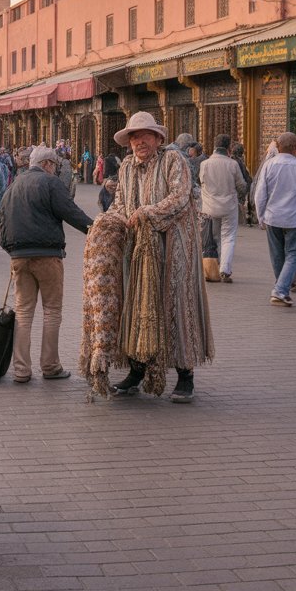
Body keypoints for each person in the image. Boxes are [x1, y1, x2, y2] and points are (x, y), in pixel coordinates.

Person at [106, 112, 214, 403]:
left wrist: (147, 213)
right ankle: (137, 371)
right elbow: (121, 203)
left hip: (174, 248)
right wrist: (109, 222)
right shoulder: (127, 166)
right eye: (134, 136)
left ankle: (184, 375)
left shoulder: (173, 160)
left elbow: (180, 196)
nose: (139, 141)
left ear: (158, 138)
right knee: (138, 306)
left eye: (145, 135)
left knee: (177, 306)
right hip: (139, 251)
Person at [0, 145, 92, 383]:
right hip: (47, 255)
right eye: (55, 166)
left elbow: (2, 225)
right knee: (51, 311)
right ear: (48, 164)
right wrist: (96, 229)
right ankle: (50, 366)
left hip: (19, 257)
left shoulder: (13, 186)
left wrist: (12, 250)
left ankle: (21, 369)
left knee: (23, 311)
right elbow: (71, 212)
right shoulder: (50, 183)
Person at [255, 131, 296, 306]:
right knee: (293, 254)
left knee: (277, 255)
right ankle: (280, 290)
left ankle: (281, 287)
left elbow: (260, 194)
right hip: (293, 218)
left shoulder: (269, 165)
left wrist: (261, 216)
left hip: (272, 217)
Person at [198, 134, 246, 283]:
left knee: (215, 238)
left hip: (210, 207)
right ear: (228, 147)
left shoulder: (204, 164)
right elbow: (241, 185)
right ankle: (225, 268)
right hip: (228, 206)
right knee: (228, 237)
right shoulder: (232, 164)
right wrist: (241, 195)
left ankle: (214, 266)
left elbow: (201, 182)